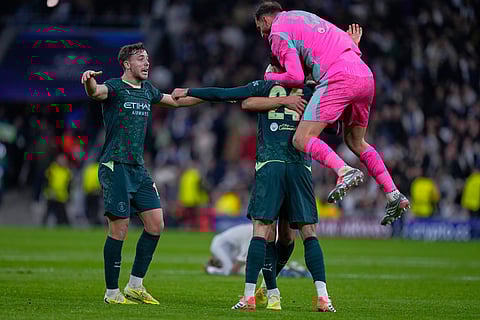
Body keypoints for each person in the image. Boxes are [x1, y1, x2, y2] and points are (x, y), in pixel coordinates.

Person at [172, 73, 336, 312]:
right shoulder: (308, 88)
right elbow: (332, 124)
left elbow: (224, 94)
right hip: (300, 165)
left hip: (270, 164)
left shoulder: (263, 85)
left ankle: (252, 296)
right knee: (304, 233)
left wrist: (190, 90)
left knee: (263, 231)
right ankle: (311, 296)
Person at [254, 1, 410, 226]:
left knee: (301, 138)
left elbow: (295, 77)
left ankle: (344, 171)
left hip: (338, 77)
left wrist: (268, 78)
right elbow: (341, 48)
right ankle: (394, 194)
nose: (261, 33)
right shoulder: (306, 17)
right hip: (364, 74)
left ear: (265, 19)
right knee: (356, 142)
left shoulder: (277, 33)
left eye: (259, 26)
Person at [81, 42, 202, 305]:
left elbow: (175, 101)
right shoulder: (114, 87)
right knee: (119, 228)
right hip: (116, 165)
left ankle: (135, 285)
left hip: (138, 168)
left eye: (147, 59)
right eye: (140, 59)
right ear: (126, 64)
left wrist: (212, 95)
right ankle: (112, 293)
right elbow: (96, 93)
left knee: (156, 224)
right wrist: (89, 81)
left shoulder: (147, 90)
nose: (146, 63)